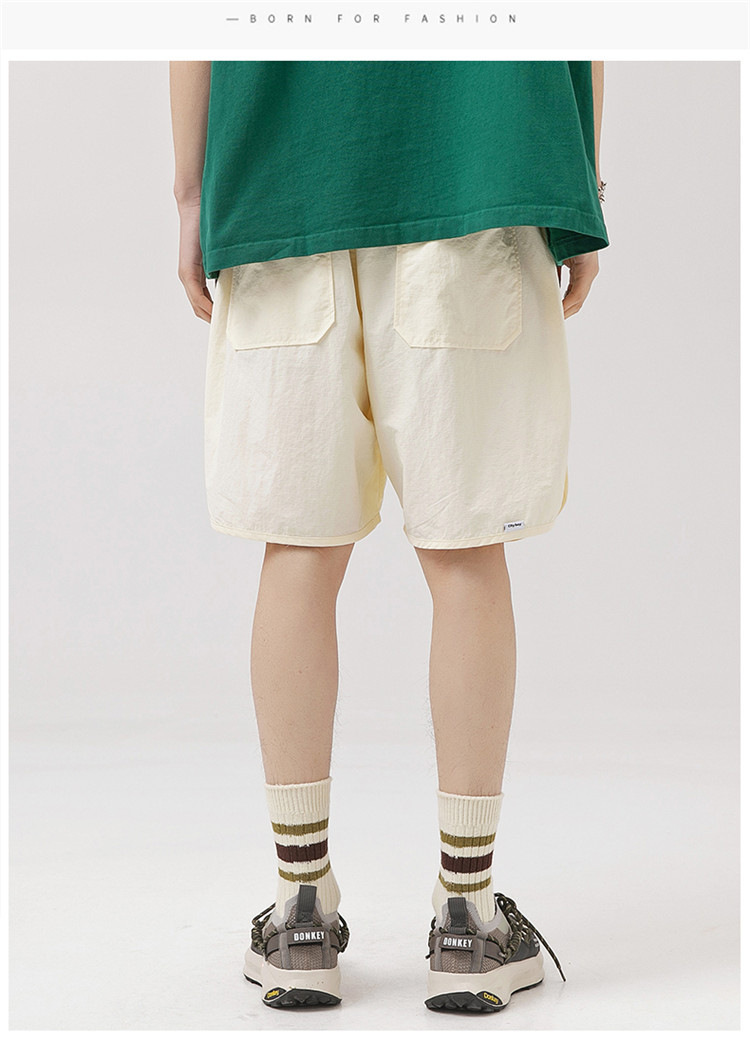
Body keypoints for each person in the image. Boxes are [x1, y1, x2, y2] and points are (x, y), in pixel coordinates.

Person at [169, 59, 608, 1014]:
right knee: (464, 552)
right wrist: (581, 179)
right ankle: (468, 915)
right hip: (476, 177)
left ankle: (299, 911)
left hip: (282, 181)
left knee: (299, 550)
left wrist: (195, 192)